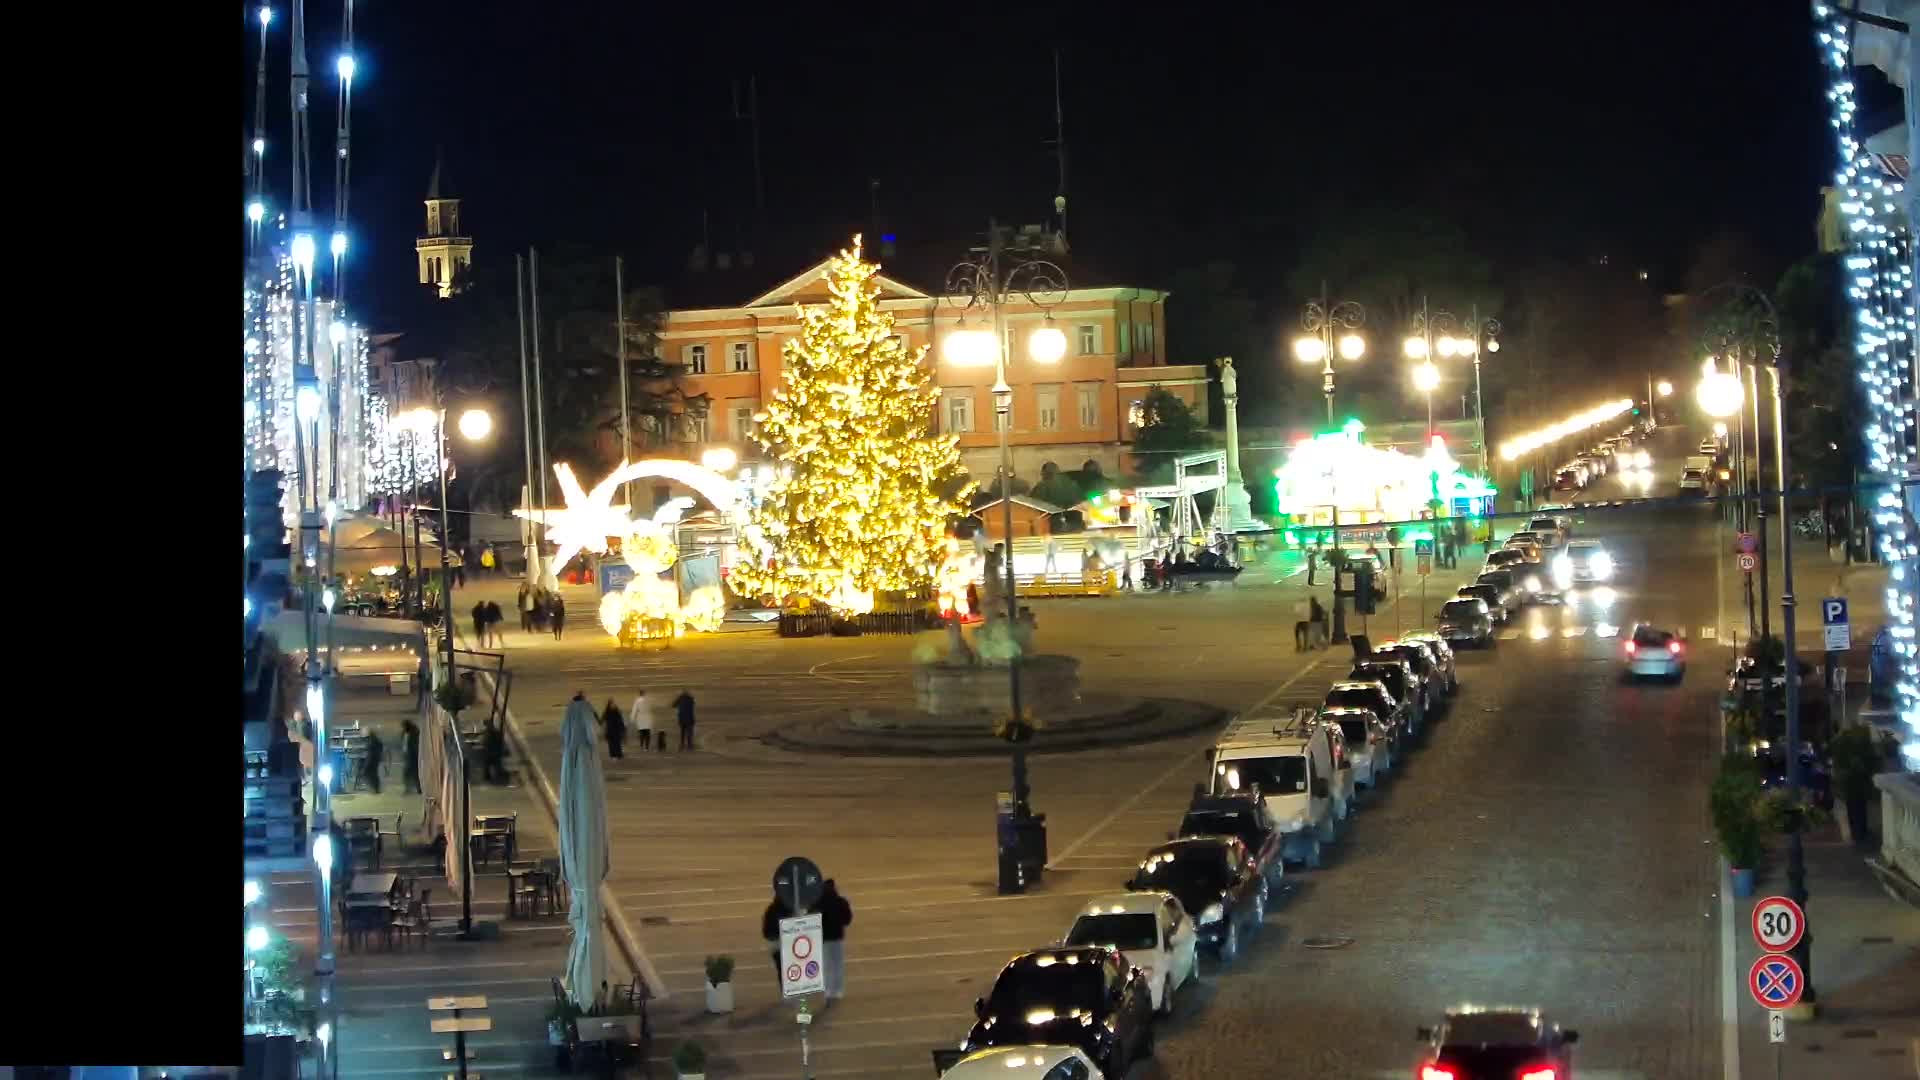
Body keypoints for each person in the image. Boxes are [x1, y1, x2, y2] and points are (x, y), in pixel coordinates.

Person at [818, 879, 853, 1000]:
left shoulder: (819, 902)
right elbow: (847, 919)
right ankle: (837, 990)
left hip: (824, 939)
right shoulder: (841, 902)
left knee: (826, 965)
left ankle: (828, 990)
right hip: (837, 937)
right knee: (837, 965)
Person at [761, 893, 795, 984]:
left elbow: (765, 930)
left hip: (774, 944)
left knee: (781, 969)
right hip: (785, 943)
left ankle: (784, 988)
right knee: (791, 967)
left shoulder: (770, 910)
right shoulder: (788, 909)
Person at [483, 718, 508, 784]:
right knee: (496, 764)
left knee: (489, 764)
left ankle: (489, 776)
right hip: (495, 752)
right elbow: (500, 742)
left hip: (491, 752)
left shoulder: (488, 733)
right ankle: (497, 775)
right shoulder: (496, 733)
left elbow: (485, 743)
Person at [629, 689, 655, 754]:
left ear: (639, 694)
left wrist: (632, 718)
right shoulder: (648, 700)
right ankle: (647, 747)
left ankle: (642, 744)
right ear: (644, 693)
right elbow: (651, 708)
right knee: (647, 732)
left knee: (641, 732)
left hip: (640, 718)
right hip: (647, 717)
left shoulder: (637, 701)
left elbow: (634, 709)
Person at [401, 715, 421, 794]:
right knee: (406, 773)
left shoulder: (415, 733)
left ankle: (418, 789)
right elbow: (403, 744)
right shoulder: (404, 733)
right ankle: (408, 789)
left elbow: (416, 745)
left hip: (414, 757)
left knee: (415, 774)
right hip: (407, 756)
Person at [363, 729, 385, 794]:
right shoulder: (375, 740)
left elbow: (370, 749)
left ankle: (375, 788)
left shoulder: (373, 741)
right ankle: (375, 788)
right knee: (373, 773)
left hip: (373, 759)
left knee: (369, 773)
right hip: (374, 759)